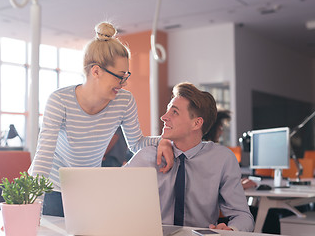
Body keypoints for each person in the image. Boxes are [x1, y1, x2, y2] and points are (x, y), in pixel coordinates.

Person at [28, 21, 173, 217]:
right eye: (120, 76)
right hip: (52, 188)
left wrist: (164, 141)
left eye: (126, 76)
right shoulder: (60, 100)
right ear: (96, 71)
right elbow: (43, 157)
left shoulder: (124, 101)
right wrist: (32, 206)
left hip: (88, 187)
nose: (124, 83)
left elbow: (136, 143)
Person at [125, 82, 254, 232]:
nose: (163, 117)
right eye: (167, 111)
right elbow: (113, 199)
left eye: (174, 112)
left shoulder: (222, 159)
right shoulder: (146, 157)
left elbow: (243, 216)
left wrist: (231, 230)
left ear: (196, 123)